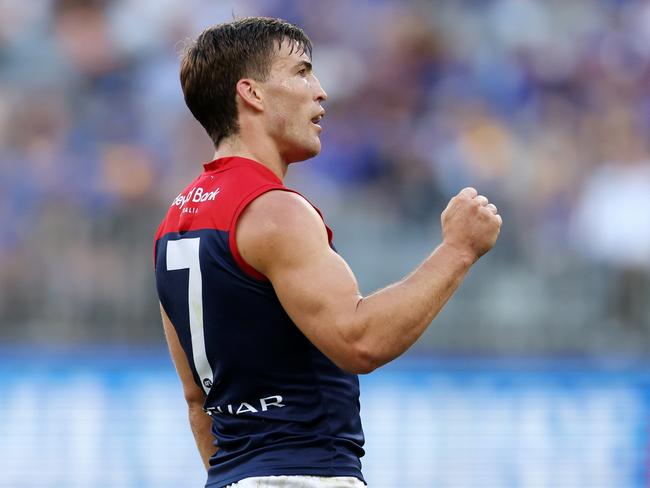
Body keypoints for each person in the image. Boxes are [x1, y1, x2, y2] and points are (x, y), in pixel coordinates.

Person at [153, 17, 501, 488]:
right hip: (307, 474)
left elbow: (199, 403)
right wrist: (458, 250)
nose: (320, 92)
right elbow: (360, 341)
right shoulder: (273, 210)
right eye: (301, 72)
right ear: (251, 94)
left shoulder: (173, 224)